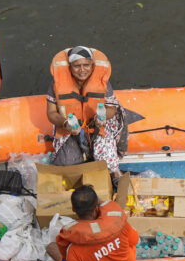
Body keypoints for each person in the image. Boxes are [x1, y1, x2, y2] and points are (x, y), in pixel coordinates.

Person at [45, 185, 138, 261]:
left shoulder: (73, 250)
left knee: (51, 248)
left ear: (73, 209)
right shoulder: (117, 223)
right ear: (97, 206)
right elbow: (134, 240)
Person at [45, 46, 128, 178]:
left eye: (86, 65)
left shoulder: (102, 81)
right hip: (70, 127)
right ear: (70, 67)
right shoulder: (56, 84)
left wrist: (102, 118)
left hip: (98, 125)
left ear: (92, 65)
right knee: (67, 165)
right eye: (77, 66)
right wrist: (66, 124)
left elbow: (111, 109)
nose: (82, 70)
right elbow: (51, 113)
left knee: (109, 164)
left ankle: (114, 174)